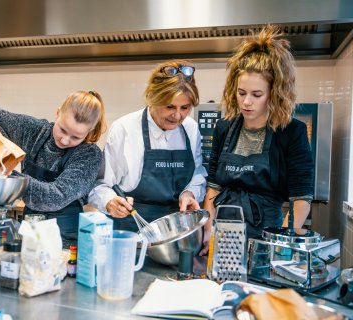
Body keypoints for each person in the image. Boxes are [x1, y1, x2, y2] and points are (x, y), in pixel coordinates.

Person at [200, 25, 314, 255]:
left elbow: (301, 197)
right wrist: (207, 231)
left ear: (275, 93)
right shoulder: (224, 128)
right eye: (241, 93)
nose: (246, 102)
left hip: (267, 236)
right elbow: (213, 186)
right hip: (223, 235)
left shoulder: (292, 132)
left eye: (257, 95)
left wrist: (282, 242)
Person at [0, 90, 107, 247]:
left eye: (76, 137)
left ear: (88, 133)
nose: (64, 140)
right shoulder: (35, 132)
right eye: (62, 130)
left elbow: (56, 197)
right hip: (29, 234)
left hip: (65, 244)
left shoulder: (89, 155)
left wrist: (9, 175)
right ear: (57, 114)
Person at [88, 60, 207, 232]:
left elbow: (198, 174)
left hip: (177, 231)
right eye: (170, 106)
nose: (177, 115)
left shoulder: (191, 129)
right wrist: (110, 202)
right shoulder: (125, 129)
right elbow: (100, 185)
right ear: (152, 98)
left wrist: (190, 193)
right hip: (131, 230)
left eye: (185, 107)